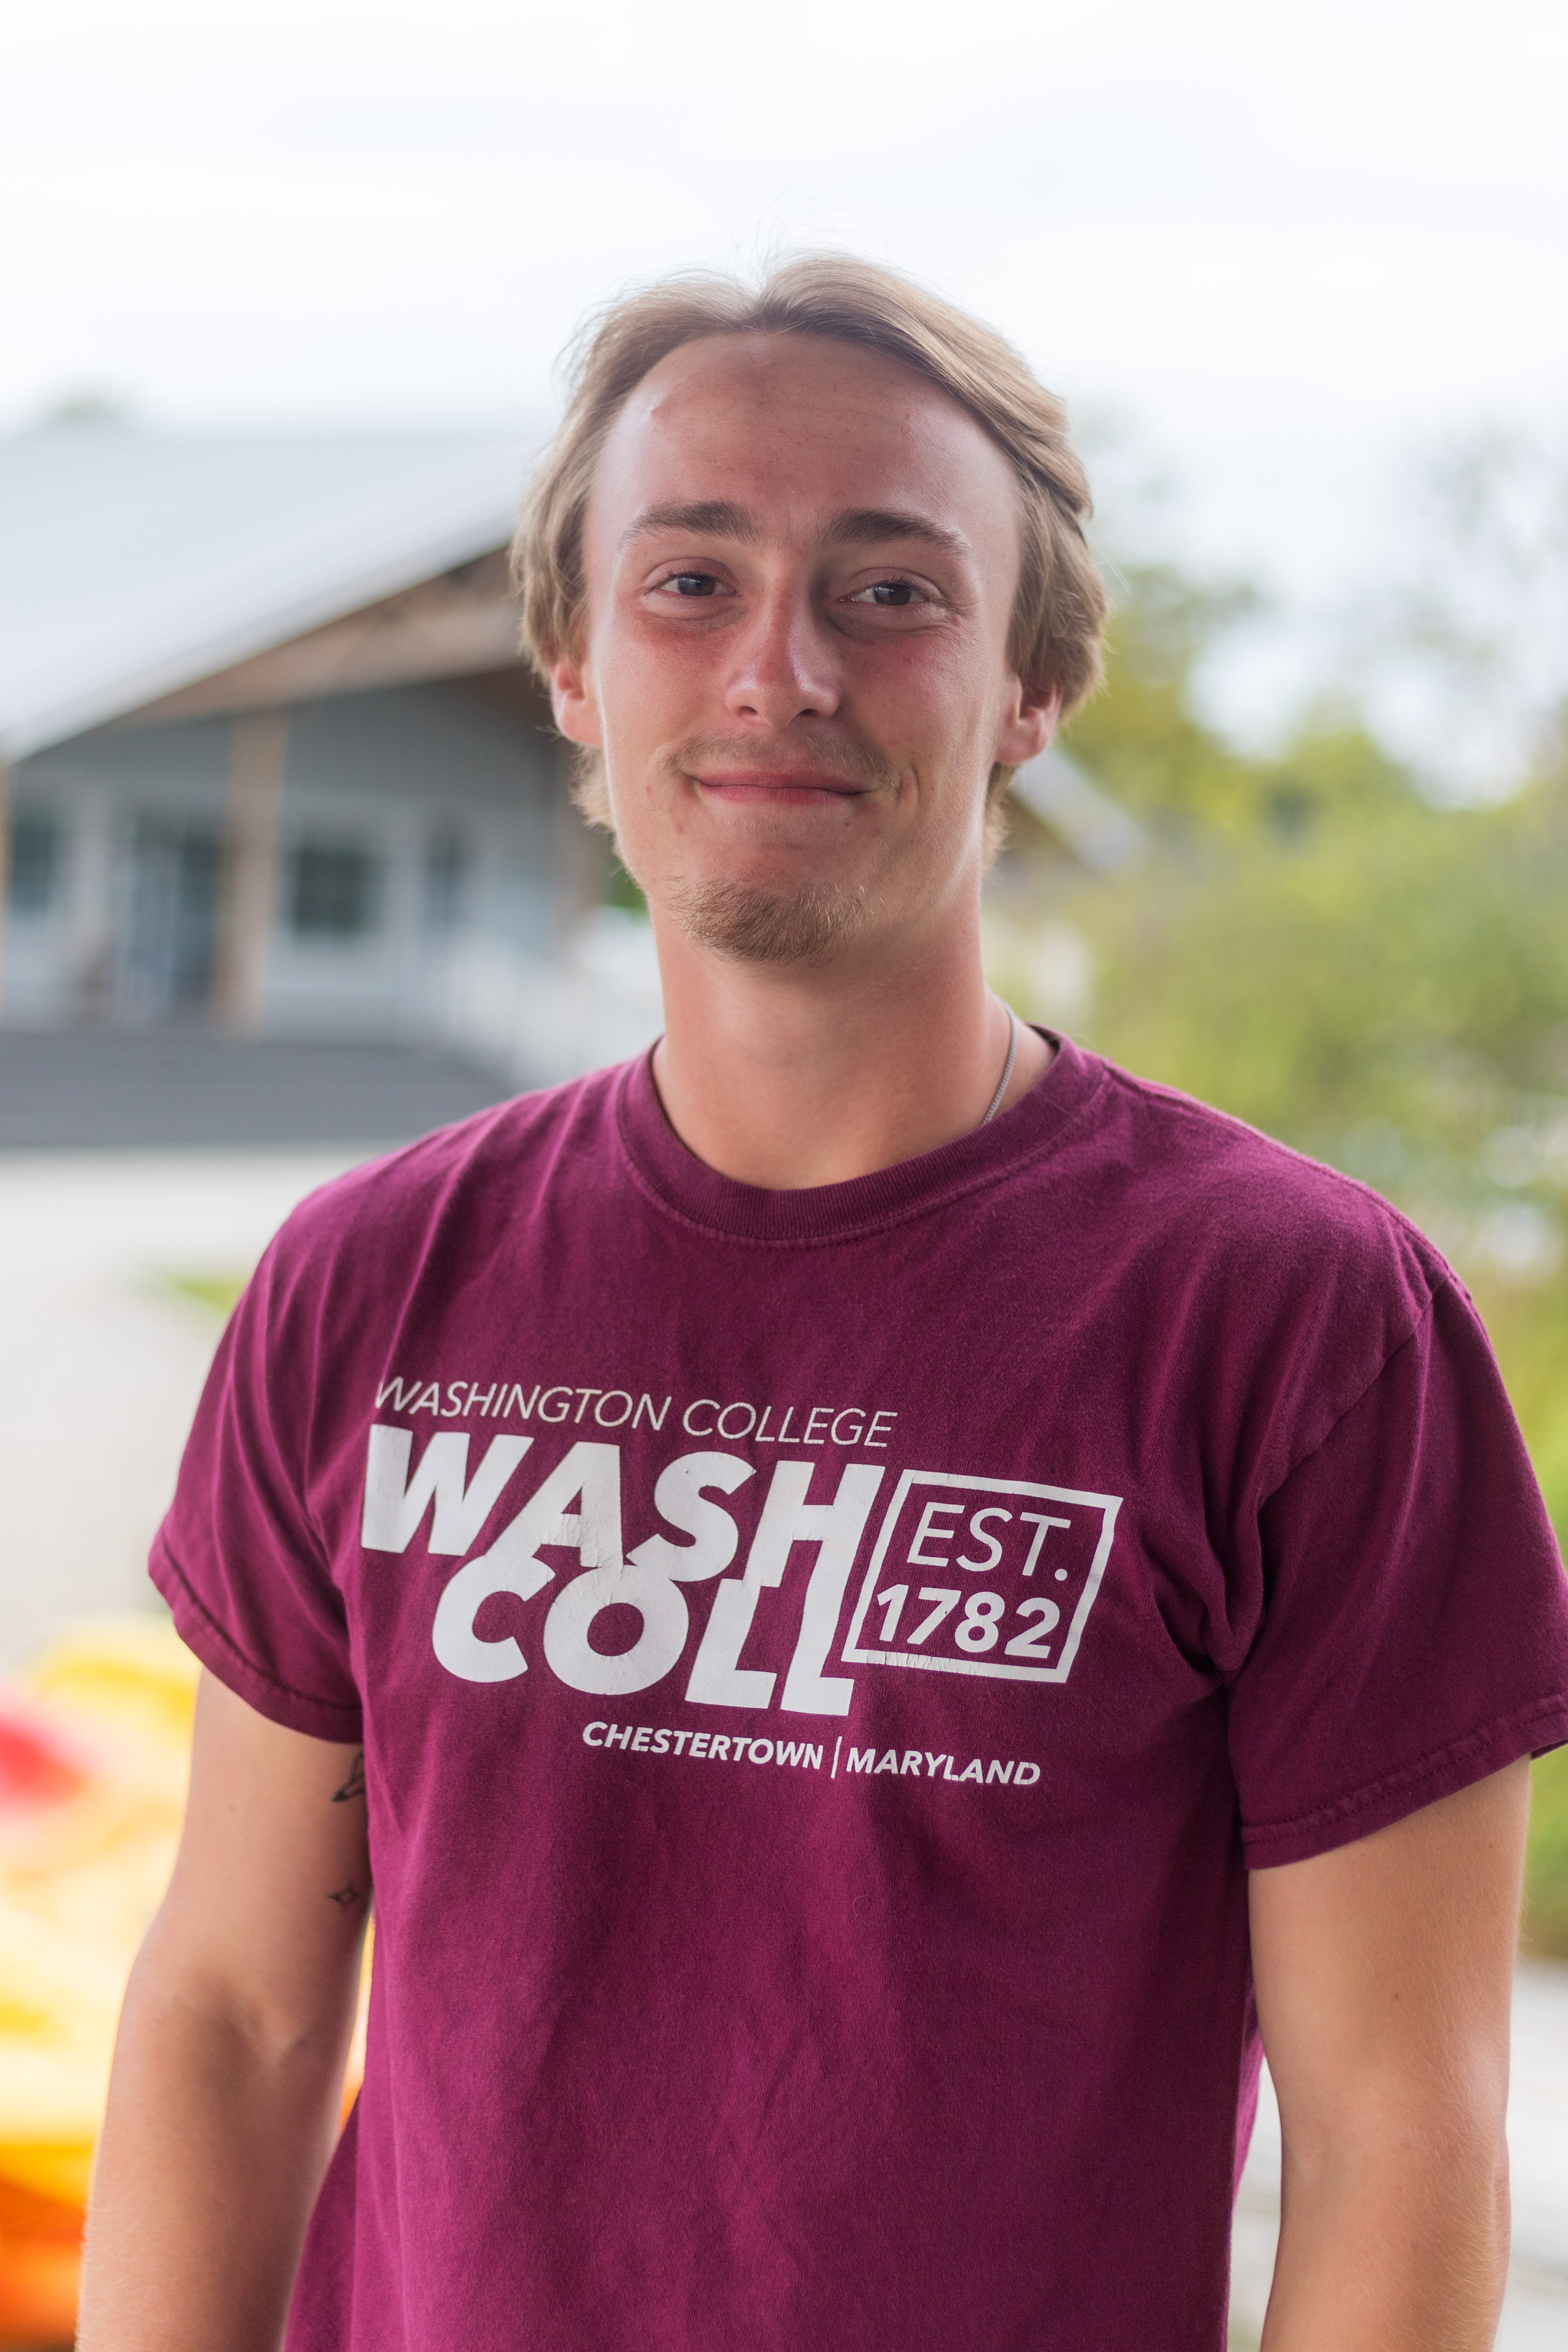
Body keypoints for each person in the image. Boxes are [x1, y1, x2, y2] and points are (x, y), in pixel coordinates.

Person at [80, 257, 1568, 2352]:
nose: (779, 669)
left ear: (1033, 688)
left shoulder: (1300, 1326)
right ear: (575, 665)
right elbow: (232, 2010)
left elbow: (1406, 2129)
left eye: (890, 593)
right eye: (689, 581)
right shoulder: (371, 1286)